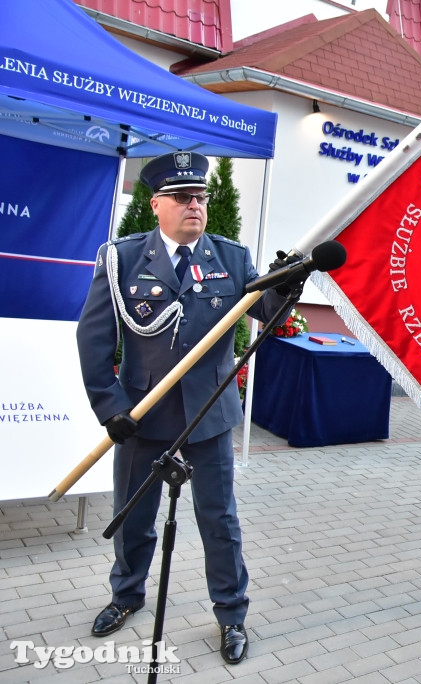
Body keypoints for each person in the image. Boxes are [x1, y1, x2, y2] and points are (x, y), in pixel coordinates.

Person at [76, 152, 289, 665]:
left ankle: (232, 613)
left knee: (219, 520)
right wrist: (111, 408)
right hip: (143, 416)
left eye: (201, 197)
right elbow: (94, 337)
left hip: (209, 417)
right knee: (133, 519)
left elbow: (268, 314)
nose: (195, 205)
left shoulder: (232, 259)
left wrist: (284, 281)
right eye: (182, 197)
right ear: (155, 204)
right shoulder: (122, 258)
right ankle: (126, 595)